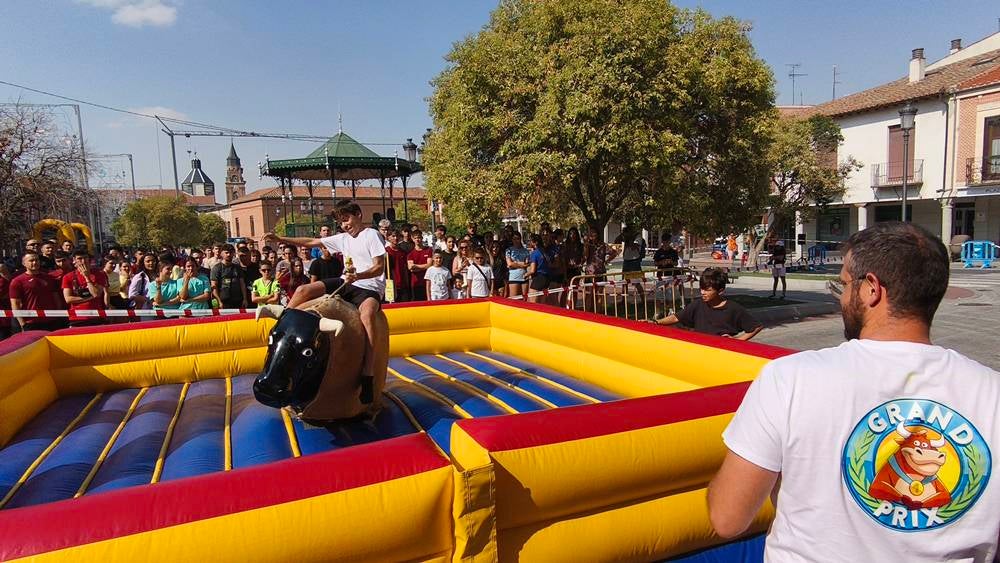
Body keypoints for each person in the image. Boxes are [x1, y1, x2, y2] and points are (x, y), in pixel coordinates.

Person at [708, 222, 1000, 562]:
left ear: (871, 289)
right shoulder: (993, 394)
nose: (842, 297)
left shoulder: (790, 379)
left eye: (845, 285)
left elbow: (727, 518)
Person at [265, 199, 386, 391]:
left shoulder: (372, 235)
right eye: (341, 221)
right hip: (346, 281)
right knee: (303, 290)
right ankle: (283, 329)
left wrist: (358, 276)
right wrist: (280, 239)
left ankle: (368, 373)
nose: (345, 225)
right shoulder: (343, 238)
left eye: (347, 219)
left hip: (368, 286)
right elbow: (312, 241)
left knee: (368, 315)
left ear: (358, 215)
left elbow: (379, 268)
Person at [651, 267, 762, 340]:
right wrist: (656, 322)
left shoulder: (733, 308)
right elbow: (676, 318)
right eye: (702, 289)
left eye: (707, 290)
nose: (702, 292)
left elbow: (756, 327)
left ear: (720, 290)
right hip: (702, 348)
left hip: (723, 352)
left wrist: (737, 340)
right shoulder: (698, 304)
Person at [9, 252, 65, 332]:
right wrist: (22, 323)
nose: (35, 262)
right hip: (31, 322)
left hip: (52, 321)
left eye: (37, 260)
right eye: (31, 260)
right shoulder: (17, 281)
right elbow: (15, 304)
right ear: (24, 263)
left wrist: (59, 315)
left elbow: (56, 297)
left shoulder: (48, 277)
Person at [62, 250, 108, 326]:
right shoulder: (68, 277)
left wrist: (87, 277)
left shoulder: (99, 274)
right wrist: (90, 297)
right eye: (79, 258)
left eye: (85, 258)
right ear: (74, 260)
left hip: (96, 315)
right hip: (77, 317)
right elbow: (68, 299)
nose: (83, 261)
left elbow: (96, 294)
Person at [210, 244, 248, 309]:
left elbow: (242, 284)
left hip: (238, 301)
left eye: (231, 252)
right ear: (221, 254)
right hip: (223, 302)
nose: (228, 254)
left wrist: (245, 299)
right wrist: (219, 301)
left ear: (233, 253)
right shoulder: (216, 268)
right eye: (226, 253)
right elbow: (214, 286)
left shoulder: (237, 267)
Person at [384, 230, 411, 302]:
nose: (395, 238)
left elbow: (405, 269)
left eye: (397, 236)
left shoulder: (403, 252)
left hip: (403, 285)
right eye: (393, 236)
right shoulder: (385, 252)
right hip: (390, 286)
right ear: (388, 238)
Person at [407, 229, 433, 301]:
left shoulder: (429, 250)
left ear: (422, 238)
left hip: (428, 282)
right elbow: (411, 268)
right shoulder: (410, 254)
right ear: (412, 239)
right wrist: (424, 266)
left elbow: (430, 265)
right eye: (415, 238)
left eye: (419, 237)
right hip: (416, 283)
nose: (417, 239)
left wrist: (416, 266)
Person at [505, 231, 530, 300]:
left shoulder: (525, 250)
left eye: (517, 238)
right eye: (514, 239)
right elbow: (510, 264)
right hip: (513, 277)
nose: (516, 241)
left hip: (524, 277)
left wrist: (516, 263)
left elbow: (527, 263)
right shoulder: (509, 250)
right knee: (514, 300)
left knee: (524, 300)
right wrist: (521, 264)